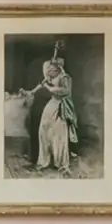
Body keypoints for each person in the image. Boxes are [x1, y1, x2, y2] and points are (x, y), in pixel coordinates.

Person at [26, 44, 78, 176]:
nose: (50, 69)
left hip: (61, 106)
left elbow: (64, 92)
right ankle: (43, 161)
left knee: (59, 134)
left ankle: (61, 163)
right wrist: (30, 92)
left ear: (60, 66)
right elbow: (41, 84)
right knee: (44, 130)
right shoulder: (52, 75)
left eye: (54, 66)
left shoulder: (66, 78)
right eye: (50, 66)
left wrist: (49, 88)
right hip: (51, 105)